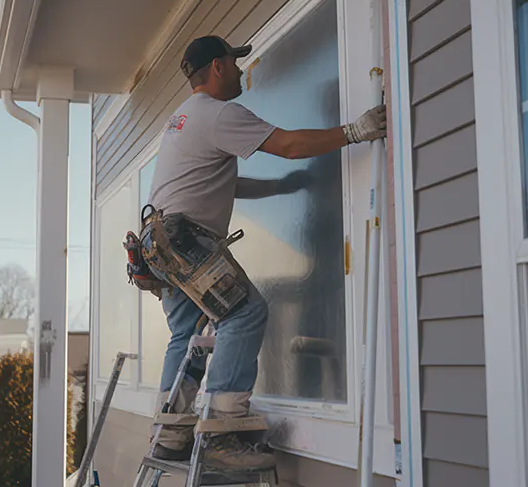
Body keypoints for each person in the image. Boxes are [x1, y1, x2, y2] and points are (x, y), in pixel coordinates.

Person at [142, 35, 387, 470]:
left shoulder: (181, 119)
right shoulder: (219, 113)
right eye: (234, 64)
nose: (240, 72)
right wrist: (354, 132)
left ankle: (170, 433)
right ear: (217, 67)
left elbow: (220, 181)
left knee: (188, 335)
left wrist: (280, 187)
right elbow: (290, 145)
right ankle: (224, 433)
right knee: (244, 313)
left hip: (160, 244)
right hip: (186, 240)